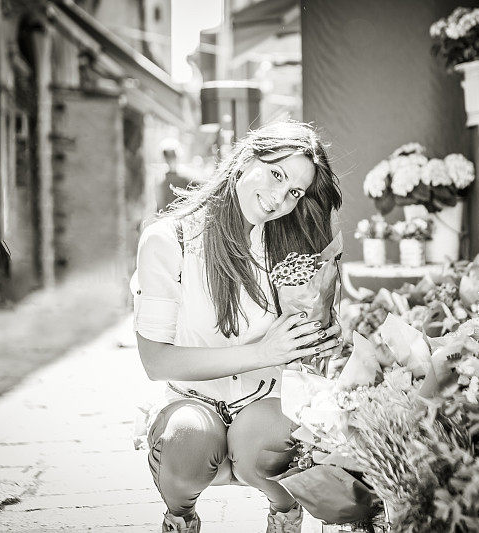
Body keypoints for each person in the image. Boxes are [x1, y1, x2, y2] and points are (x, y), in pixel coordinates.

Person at [130, 121, 343, 533]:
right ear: (247, 158)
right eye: (277, 174)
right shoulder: (167, 240)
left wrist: (320, 340)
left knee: (268, 446)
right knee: (186, 442)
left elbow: (303, 343)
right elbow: (155, 361)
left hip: (263, 399)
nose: (280, 198)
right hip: (191, 399)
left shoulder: (287, 245)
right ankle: (180, 515)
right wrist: (262, 353)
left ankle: (285, 514)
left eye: (295, 192)